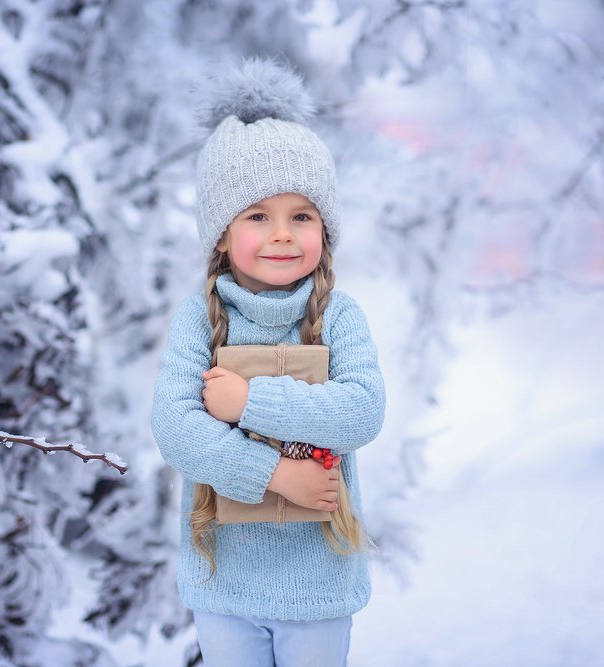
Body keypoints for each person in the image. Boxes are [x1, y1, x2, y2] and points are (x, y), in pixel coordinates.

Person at [151, 58, 386, 667]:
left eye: (301, 216)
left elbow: (362, 411)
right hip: (224, 582)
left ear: (324, 231)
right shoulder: (199, 320)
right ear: (222, 234)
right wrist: (277, 476)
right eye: (258, 215)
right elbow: (177, 430)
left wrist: (250, 401)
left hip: (317, 582)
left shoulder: (339, 316)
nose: (282, 234)